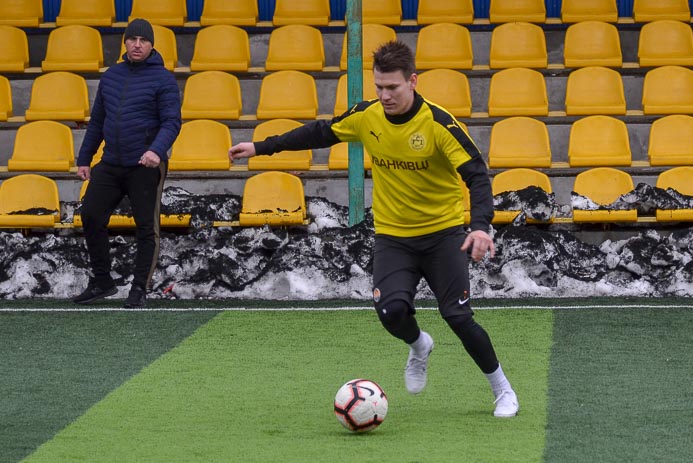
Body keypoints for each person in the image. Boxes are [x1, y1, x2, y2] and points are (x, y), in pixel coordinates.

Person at [228, 41, 519, 417]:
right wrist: (260, 147)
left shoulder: (439, 123)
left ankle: (502, 390)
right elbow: (319, 133)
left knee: (459, 317)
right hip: (394, 237)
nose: (384, 96)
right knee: (392, 311)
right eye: (379, 87)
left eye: (392, 88)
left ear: (412, 81)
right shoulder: (367, 117)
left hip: (444, 233)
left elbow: (477, 176)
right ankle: (419, 346)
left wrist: (480, 227)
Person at [72, 18, 182, 308]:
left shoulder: (163, 79)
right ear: (125, 43)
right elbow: (98, 121)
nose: (137, 44)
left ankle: (138, 289)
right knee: (92, 215)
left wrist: (156, 151)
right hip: (111, 162)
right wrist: (85, 158)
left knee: (146, 227)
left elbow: (172, 122)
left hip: (145, 164)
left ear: (151, 45)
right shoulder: (111, 76)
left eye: (143, 40)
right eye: (132, 39)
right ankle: (102, 281)